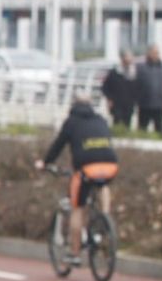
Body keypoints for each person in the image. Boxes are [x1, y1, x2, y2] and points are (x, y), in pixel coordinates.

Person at [35, 94, 117, 257]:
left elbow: (58, 145)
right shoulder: (100, 120)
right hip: (110, 165)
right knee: (103, 185)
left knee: (77, 208)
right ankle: (105, 218)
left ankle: (74, 252)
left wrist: (45, 163)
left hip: (86, 168)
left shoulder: (71, 122)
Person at [100, 49, 137, 128]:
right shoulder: (114, 72)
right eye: (127, 57)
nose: (129, 60)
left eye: (131, 58)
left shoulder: (134, 73)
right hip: (117, 104)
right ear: (122, 58)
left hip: (129, 105)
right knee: (117, 123)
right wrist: (109, 99)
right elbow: (105, 87)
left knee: (127, 124)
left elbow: (138, 89)